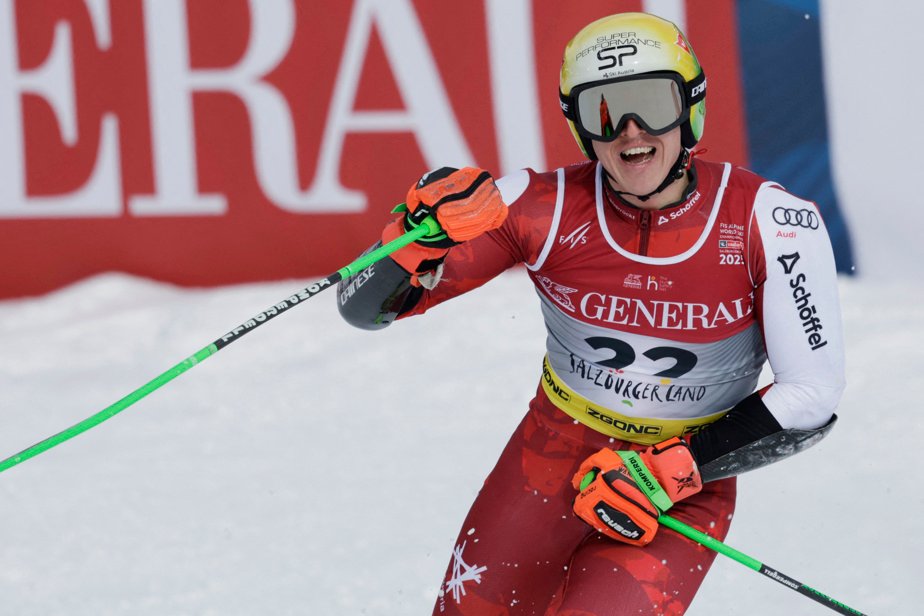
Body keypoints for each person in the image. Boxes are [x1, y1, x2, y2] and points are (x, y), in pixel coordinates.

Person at [337, 12, 845, 616]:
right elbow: (361, 307)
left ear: (691, 107)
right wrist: (412, 241)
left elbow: (812, 394)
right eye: (603, 110)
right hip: (552, 454)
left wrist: (672, 471)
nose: (631, 132)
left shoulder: (774, 222)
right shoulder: (535, 205)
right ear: (579, 127)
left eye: (653, 103)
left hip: (679, 481)